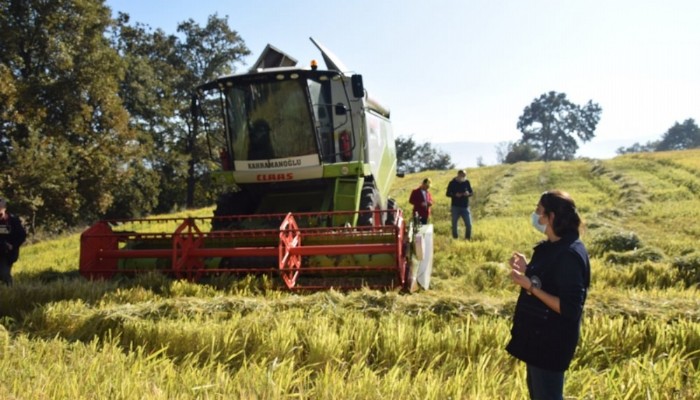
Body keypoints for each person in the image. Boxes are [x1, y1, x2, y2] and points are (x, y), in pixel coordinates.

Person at [506, 190, 590, 400]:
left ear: (551, 217)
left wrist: (531, 288)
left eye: (538, 211)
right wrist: (528, 269)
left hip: (551, 343)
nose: (535, 215)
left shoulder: (569, 254)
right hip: (537, 339)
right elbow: (549, 280)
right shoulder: (553, 247)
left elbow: (569, 308)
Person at [0, 197, 27, 286]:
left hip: (8, 253)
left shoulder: (13, 220)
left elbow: (21, 235)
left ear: (4, 209)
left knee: (4, 274)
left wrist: (12, 245)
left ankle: (10, 292)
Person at [445, 169, 474, 239]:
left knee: (469, 224)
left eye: (465, 176)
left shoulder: (467, 182)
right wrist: (455, 195)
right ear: (458, 175)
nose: (464, 177)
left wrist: (468, 194)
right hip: (455, 207)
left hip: (465, 207)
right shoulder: (452, 183)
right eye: (463, 176)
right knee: (454, 224)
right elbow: (447, 194)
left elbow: (471, 193)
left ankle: (467, 239)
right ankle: (455, 238)